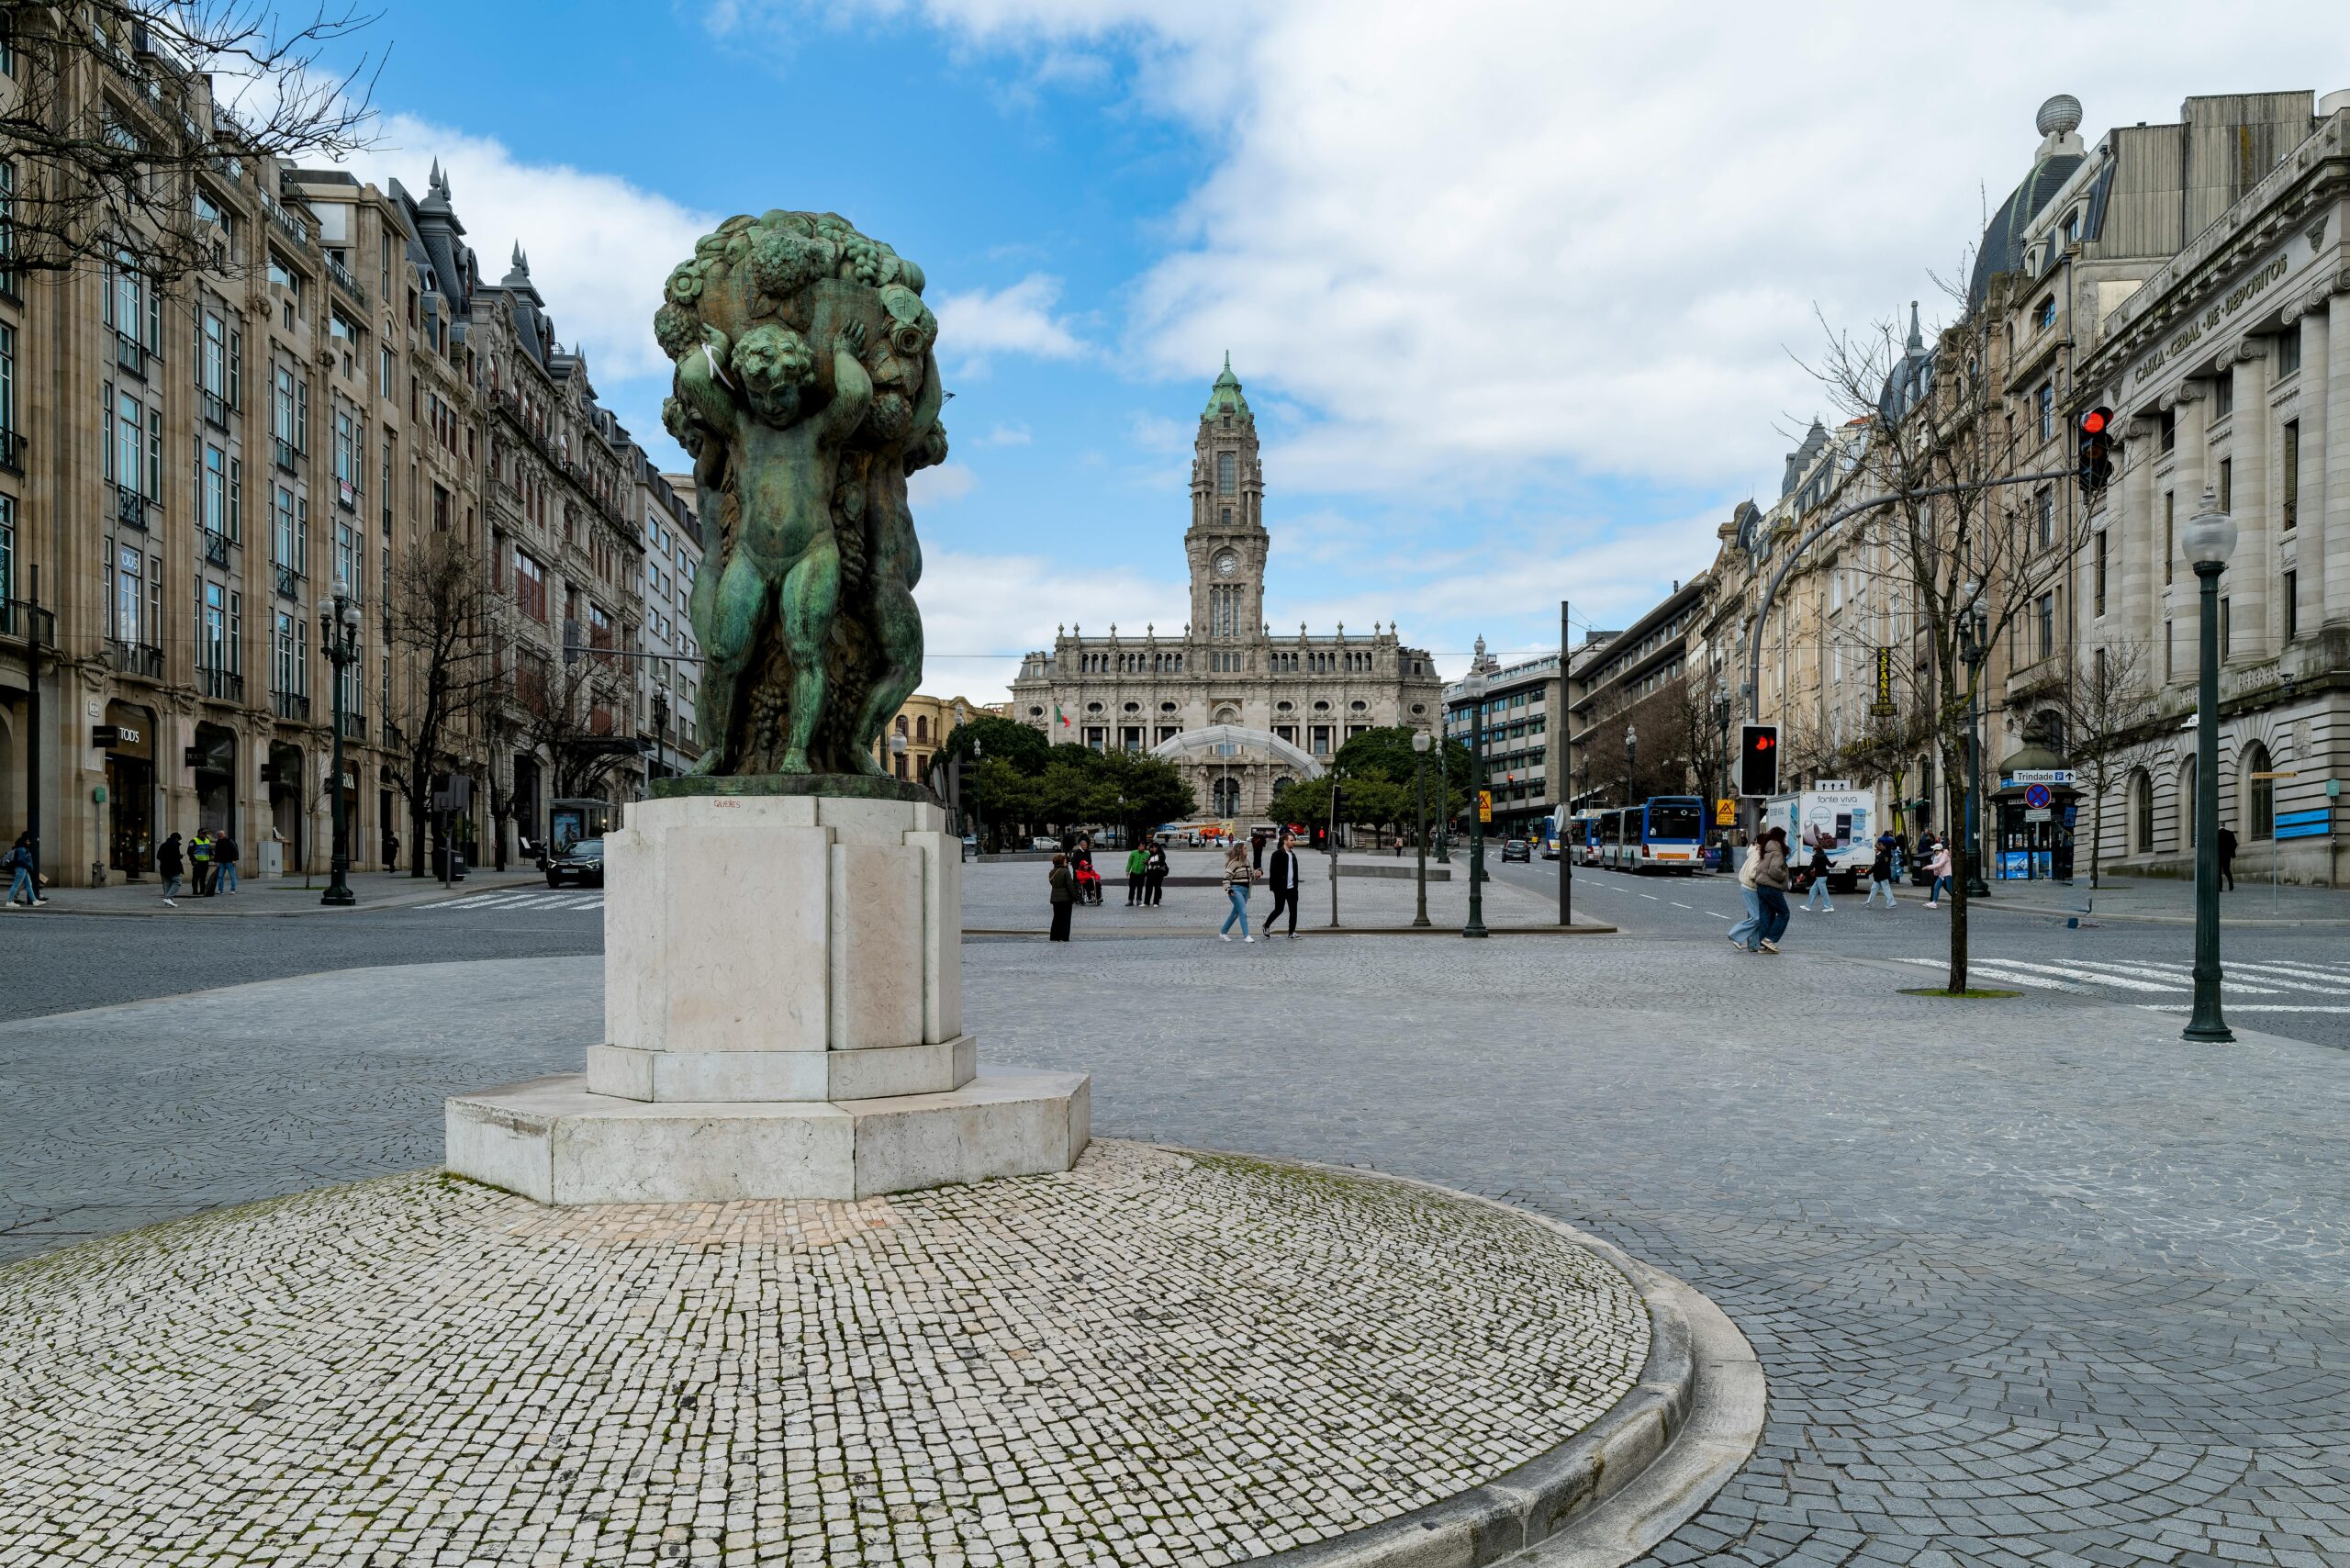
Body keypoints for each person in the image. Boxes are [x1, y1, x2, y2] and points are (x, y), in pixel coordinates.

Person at [1752, 826, 1793, 953]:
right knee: (1784, 913)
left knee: (1766, 916)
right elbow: (1774, 870)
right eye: (1784, 838)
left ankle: (1763, 946)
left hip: (1761, 886)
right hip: (1771, 886)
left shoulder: (1766, 850)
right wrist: (1784, 875)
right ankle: (1770, 940)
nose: (1785, 840)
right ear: (1780, 838)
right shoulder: (1777, 851)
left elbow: (1760, 868)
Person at [1727, 837, 1766, 952]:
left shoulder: (1754, 850)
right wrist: (1759, 880)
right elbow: (1752, 871)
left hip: (1748, 887)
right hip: (1751, 887)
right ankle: (1735, 935)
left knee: (1754, 916)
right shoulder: (1759, 852)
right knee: (1757, 917)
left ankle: (1754, 944)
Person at [1263, 833, 1302, 939]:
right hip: (1280, 888)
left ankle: (1291, 932)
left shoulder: (1293, 855)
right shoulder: (1277, 854)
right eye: (1291, 840)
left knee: (1293, 910)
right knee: (1279, 909)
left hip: (1292, 888)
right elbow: (1273, 872)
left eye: (1294, 840)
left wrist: (1296, 888)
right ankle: (1266, 925)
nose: (1293, 842)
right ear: (1285, 841)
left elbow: (1295, 873)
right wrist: (1274, 888)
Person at [1218, 843, 1255, 943]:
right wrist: (1229, 889)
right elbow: (1226, 878)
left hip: (1246, 891)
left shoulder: (1247, 862)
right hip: (1235, 890)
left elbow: (1251, 876)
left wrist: (1258, 873)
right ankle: (1246, 936)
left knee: (1235, 913)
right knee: (1243, 911)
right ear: (1240, 851)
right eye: (1245, 849)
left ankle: (1223, 933)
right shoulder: (1233, 863)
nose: (1247, 850)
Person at [4, 832, 45, 908]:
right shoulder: (22, 849)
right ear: (24, 841)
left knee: (29, 885)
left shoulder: (22, 848)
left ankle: (34, 901)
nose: (29, 842)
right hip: (21, 869)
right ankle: (9, 901)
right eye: (28, 841)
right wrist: (28, 865)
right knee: (16, 885)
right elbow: (21, 860)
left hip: (23, 869)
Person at [1801, 837, 1835, 913]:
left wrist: (1803, 873)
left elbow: (1811, 867)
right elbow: (1830, 865)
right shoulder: (1824, 855)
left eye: (1813, 850)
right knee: (1813, 891)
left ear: (1816, 850)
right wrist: (1835, 863)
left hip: (1820, 877)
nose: (1813, 851)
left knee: (1824, 893)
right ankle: (1808, 906)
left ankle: (1829, 907)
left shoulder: (1816, 857)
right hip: (1822, 877)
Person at [1046, 852, 1075, 942]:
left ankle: (1054, 936)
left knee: (1056, 918)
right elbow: (1070, 885)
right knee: (1066, 919)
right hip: (1066, 899)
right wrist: (1075, 897)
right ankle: (1064, 936)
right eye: (1065, 861)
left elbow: (1052, 884)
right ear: (1062, 861)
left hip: (1055, 898)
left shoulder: (1051, 872)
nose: (1066, 863)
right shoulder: (1065, 871)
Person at [1865, 833, 1898, 910]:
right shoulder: (1882, 855)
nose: (1875, 850)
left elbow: (1877, 866)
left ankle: (1892, 903)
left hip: (1882, 876)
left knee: (1886, 890)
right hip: (1880, 876)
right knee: (1874, 889)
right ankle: (1869, 902)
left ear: (1878, 849)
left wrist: (1869, 872)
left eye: (1875, 848)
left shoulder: (1880, 856)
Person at [157, 833, 186, 907]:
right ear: (176, 839)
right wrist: (181, 856)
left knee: (167, 885)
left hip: (164, 867)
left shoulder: (163, 845)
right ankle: (167, 898)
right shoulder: (175, 845)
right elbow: (176, 857)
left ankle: (168, 903)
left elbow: (158, 856)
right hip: (174, 868)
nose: (178, 841)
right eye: (178, 840)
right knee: (178, 882)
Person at [1923, 840, 1953, 908]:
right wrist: (1936, 872)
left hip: (1947, 874)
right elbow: (1937, 867)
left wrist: (1928, 867)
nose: (1934, 852)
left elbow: (1939, 865)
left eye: (1935, 850)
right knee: (1936, 887)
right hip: (1942, 874)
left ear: (1938, 850)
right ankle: (1934, 902)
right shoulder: (1937, 857)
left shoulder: (1944, 855)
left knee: (1949, 888)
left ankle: (1957, 900)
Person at [189, 830, 215, 896]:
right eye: (203, 834)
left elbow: (208, 849)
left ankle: (202, 891)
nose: (205, 835)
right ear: (199, 834)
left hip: (205, 861)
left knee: (203, 877)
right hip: (197, 862)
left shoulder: (207, 840)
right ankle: (195, 891)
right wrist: (193, 860)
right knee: (196, 877)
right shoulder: (194, 841)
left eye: (205, 834)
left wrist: (211, 855)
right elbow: (190, 852)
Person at [1145, 837, 1169, 906]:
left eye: (1155, 847)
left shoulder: (1161, 854)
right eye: (1152, 847)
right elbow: (1149, 863)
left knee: (1157, 887)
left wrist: (1150, 863)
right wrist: (1146, 862)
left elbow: (1160, 862)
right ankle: (1146, 902)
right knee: (1148, 887)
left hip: (1158, 873)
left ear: (1158, 848)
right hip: (1150, 874)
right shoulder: (1151, 855)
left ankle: (1156, 902)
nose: (1153, 849)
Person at [216, 828, 241, 894]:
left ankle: (233, 889)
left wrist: (234, 859)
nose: (220, 835)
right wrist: (216, 861)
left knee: (232, 876)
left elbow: (235, 850)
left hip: (230, 861)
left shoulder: (229, 841)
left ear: (225, 834)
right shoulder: (218, 842)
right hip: (221, 862)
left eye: (222, 834)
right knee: (220, 876)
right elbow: (217, 852)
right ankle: (220, 890)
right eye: (219, 834)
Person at [1125, 841, 1148, 905]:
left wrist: (1146, 863)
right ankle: (1130, 900)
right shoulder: (1133, 853)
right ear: (1138, 847)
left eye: (1143, 846)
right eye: (1141, 846)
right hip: (1133, 873)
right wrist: (1127, 870)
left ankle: (1139, 900)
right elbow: (1130, 862)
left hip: (1141, 873)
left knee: (1140, 887)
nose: (1142, 848)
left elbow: (1148, 864)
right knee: (1132, 887)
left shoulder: (1147, 854)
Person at [2218, 825, 2238, 891]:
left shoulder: (2216, 834)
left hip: (2218, 856)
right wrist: (2231, 852)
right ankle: (2231, 883)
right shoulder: (2230, 833)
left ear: (2218, 826)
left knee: (2219, 871)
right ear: (2224, 826)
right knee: (2227, 870)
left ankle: (2220, 887)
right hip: (2227, 855)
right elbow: (2235, 844)